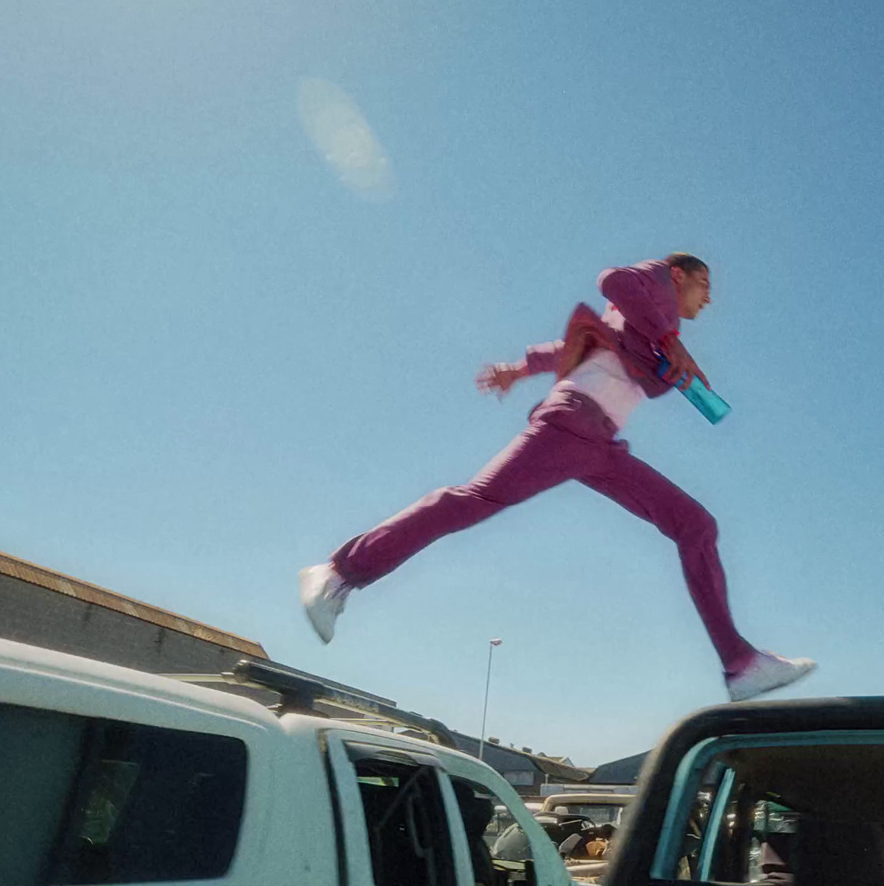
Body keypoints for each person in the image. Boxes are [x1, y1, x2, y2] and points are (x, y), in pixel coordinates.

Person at [299, 253, 815, 702]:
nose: (709, 299)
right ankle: (340, 572)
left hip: (601, 446)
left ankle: (741, 664)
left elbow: (573, 348)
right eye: (706, 286)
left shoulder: (645, 326)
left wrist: (517, 369)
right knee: (474, 499)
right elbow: (612, 279)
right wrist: (668, 340)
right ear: (679, 275)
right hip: (572, 424)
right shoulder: (651, 292)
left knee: (695, 525)